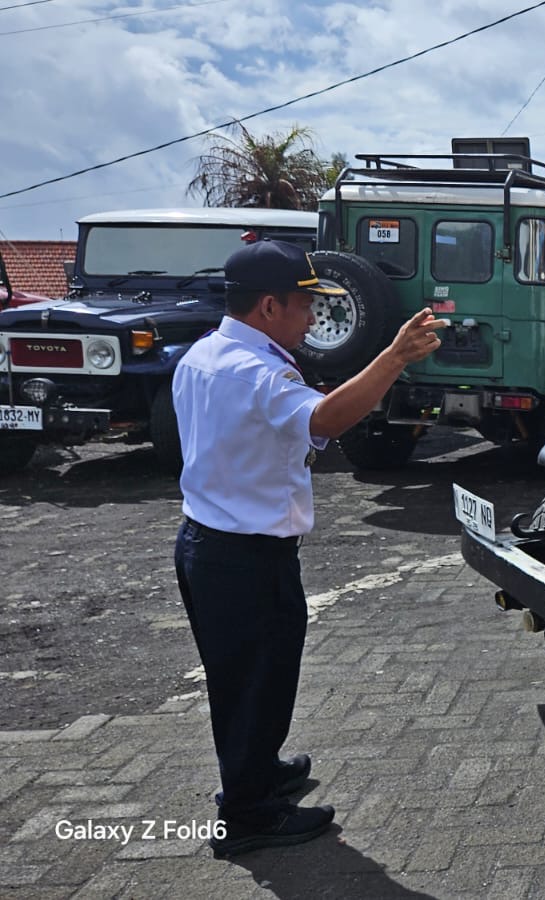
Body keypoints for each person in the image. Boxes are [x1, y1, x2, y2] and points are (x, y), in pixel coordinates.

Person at [172, 238, 448, 858]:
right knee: (255, 681)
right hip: (243, 556)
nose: (312, 318)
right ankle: (247, 814)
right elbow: (324, 419)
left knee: (248, 679)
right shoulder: (260, 371)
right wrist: (394, 357)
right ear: (270, 307)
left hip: (209, 544)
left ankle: (258, 772)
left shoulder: (203, 354)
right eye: (305, 304)